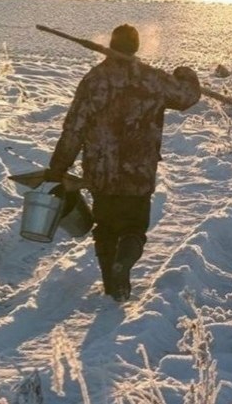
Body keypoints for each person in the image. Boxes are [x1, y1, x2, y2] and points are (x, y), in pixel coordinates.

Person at [44, 24, 201, 302]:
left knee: (105, 228)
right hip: (138, 172)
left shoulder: (93, 81)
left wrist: (58, 167)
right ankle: (124, 266)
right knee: (134, 228)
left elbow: (74, 128)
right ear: (136, 48)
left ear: (111, 46)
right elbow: (187, 96)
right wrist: (184, 74)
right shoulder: (152, 79)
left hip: (101, 172)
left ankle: (112, 287)